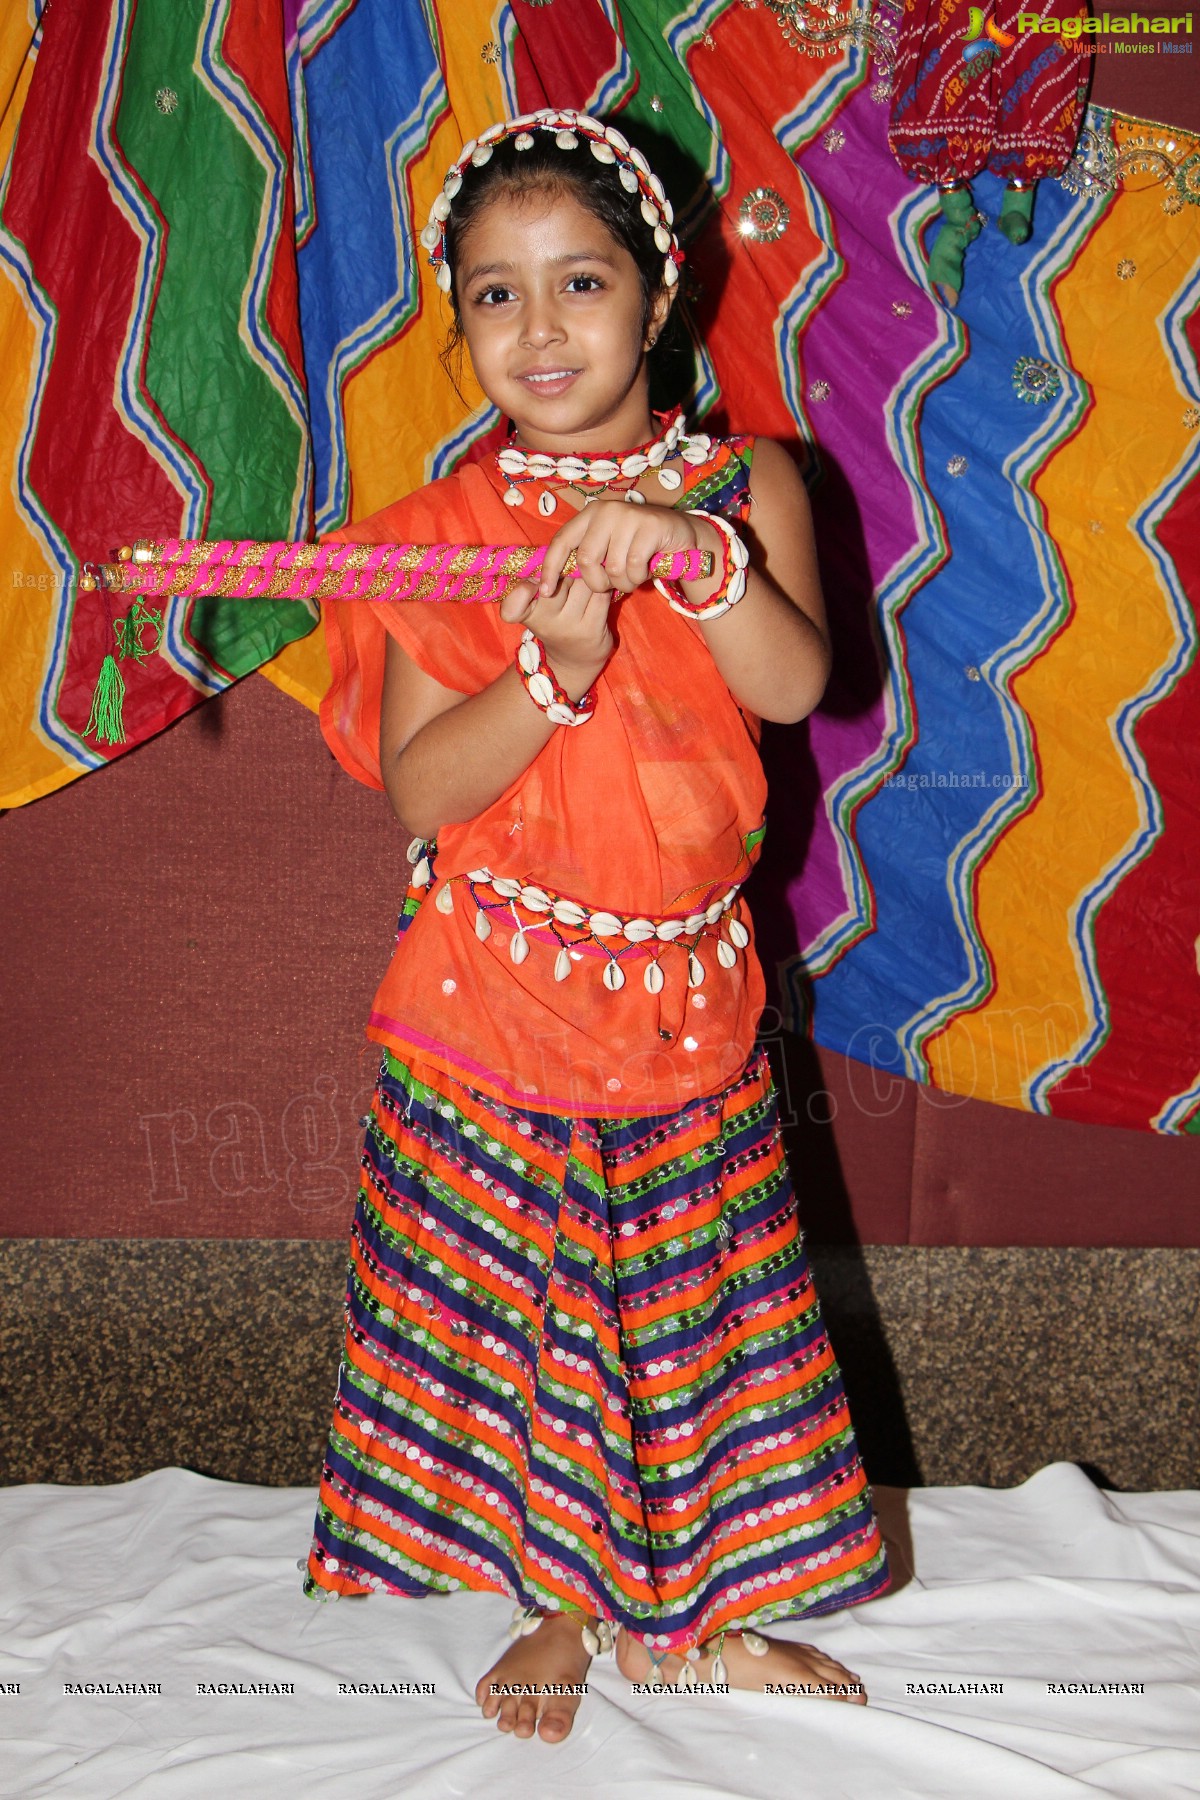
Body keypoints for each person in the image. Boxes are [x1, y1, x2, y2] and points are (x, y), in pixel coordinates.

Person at [305, 106, 890, 1744]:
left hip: (686, 1000)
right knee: (544, 1328)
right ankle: (562, 1606)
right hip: (494, 996)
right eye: (495, 296)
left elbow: (797, 682)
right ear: (462, 325)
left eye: (578, 284)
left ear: (657, 300)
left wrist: (703, 565)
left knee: (691, 1321)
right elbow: (425, 790)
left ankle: (699, 1616)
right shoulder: (434, 537)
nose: (540, 329)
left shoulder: (746, 479)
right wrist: (545, 673)